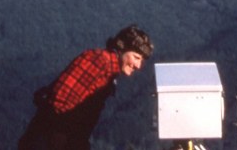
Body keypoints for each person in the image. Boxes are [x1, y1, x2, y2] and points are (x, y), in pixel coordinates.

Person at [18, 25, 154, 150]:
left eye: (141, 60)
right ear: (121, 48)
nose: (138, 65)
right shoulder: (99, 60)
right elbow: (60, 97)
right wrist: (59, 134)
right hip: (48, 138)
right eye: (136, 57)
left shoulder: (109, 71)